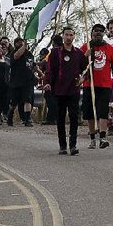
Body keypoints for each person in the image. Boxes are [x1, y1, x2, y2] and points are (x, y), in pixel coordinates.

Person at [42, 27, 88, 155]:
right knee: (60, 118)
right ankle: (63, 145)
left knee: (74, 118)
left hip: (73, 90)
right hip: (59, 90)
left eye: (71, 35)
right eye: (66, 35)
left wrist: (82, 78)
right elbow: (49, 70)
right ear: (63, 36)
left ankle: (73, 145)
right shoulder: (55, 53)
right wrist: (47, 83)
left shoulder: (78, 53)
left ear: (74, 37)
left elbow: (85, 70)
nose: (68, 37)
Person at [80, 23, 113, 149]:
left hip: (104, 84)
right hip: (89, 84)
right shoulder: (85, 47)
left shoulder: (110, 48)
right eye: (96, 31)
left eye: (101, 31)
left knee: (102, 111)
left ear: (104, 33)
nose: (98, 33)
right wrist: (85, 56)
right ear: (92, 33)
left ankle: (103, 137)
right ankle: (92, 138)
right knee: (90, 112)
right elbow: (79, 66)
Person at [6, 37, 36, 127]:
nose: (20, 44)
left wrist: (40, 74)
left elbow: (33, 65)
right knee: (14, 103)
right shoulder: (13, 53)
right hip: (16, 82)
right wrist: (23, 46)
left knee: (27, 100)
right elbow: (16, 56)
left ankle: (27, 119)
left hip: (27, 82)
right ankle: (10, 117)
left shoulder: (29, 54)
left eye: (22, 42)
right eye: (18, 42)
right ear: (15, 44)